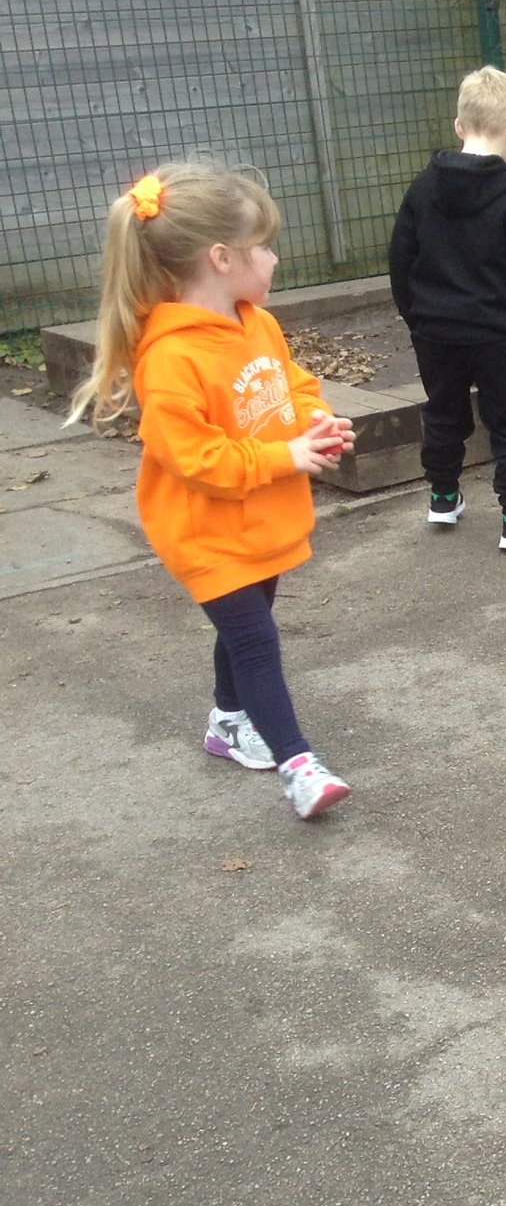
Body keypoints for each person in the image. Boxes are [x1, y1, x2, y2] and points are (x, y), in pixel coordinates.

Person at [70, 165, 355, 820]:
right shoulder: (169, 361)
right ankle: (299, 766)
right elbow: (195, 459)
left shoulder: (257, 324)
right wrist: (286, 454)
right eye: (262, 245)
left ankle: (229, 722)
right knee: (255, 640)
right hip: (202, 527)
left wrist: (314, 416)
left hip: (261, 515)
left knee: (247, 626)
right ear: (222, 259)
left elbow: (293, 382)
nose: (274, 256)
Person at [389, 65, 506, 552]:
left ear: (460, 127)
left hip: (434, 332)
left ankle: (443, 496)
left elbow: (400, 258)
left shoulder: (422, 189)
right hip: (494, 333)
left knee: (443, 411)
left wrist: (415, 315)